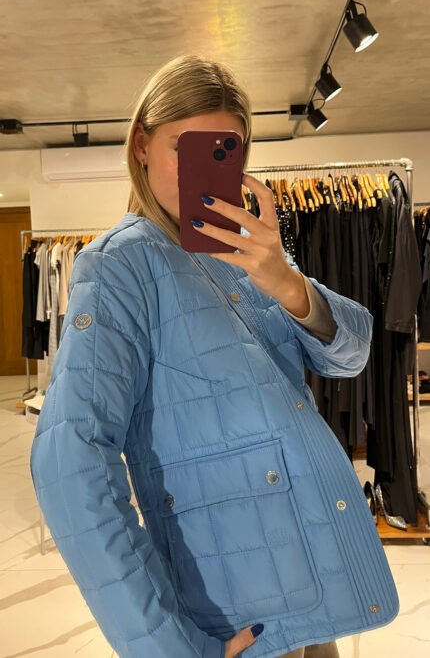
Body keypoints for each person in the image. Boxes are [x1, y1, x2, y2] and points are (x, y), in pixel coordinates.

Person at [30, 54, 399, 658]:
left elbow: (352, 355)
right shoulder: (121, 265)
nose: (203, 168)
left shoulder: (250, 253)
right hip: (234, 610)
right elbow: (69, 462)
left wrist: (287, 282)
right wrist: (170, 648)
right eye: (185, 147)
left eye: (225, 149)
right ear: (142, 146)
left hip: (309, 577)